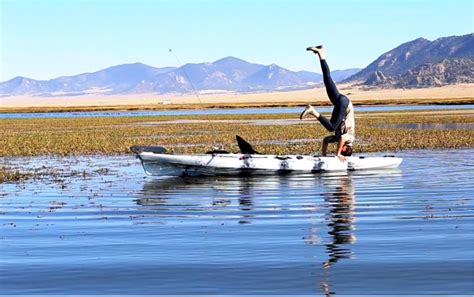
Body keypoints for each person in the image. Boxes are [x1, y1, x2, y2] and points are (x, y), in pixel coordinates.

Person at [299, 45, 355, 162]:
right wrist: (338, 154)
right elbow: (343, 138)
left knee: (327, 78)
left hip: (341, 101)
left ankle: (321, 53)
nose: (338, 147)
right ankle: (312, 111)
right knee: (331, 127)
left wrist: (324, 156)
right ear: (346, 148)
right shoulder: (349, 139)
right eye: (341, 149)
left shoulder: (337, 138)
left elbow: (325, 140)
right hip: (344, 104)